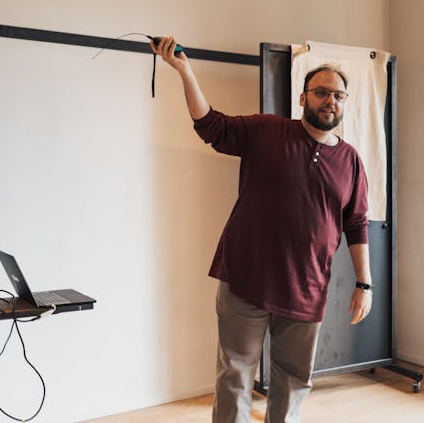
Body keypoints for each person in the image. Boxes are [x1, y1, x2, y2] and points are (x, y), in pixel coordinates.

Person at [151, 36, 373, 423]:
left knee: (293, 380)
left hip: (307, 286)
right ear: (303, 98)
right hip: (246, 278)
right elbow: (211, 126)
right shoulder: (267, 131)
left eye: (338, 95)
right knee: (235, 375)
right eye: (321, 92)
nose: (331, 101)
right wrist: (185, 71)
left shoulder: (351, 161)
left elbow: (356, 223)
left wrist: (364, 283)